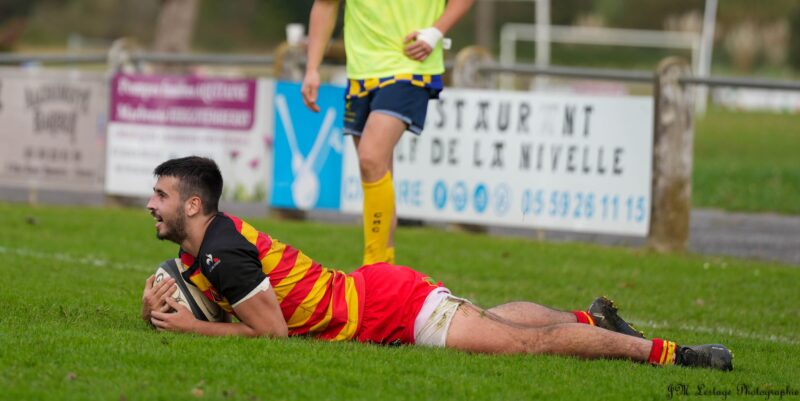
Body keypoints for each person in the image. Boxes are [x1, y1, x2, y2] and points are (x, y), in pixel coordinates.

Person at [141, 156, 733, 371]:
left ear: (194, 204)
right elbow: (216, 304)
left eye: (161, 196)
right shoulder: (203, 249)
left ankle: (673, 354)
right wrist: (153, 308)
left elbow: (272, 333)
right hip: (377, 296)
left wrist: (188, 324)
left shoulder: (221, 251)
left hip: (390, 309)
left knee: (528, 346)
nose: (150, 205)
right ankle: (592, 318)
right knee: (497, 322)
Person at [300, 0, 475, 265]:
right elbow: (324, 6)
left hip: (410, 67)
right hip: (361, 73)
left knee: (370, 157)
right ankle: (385, 272)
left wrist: (435, 32)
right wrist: (312, 69)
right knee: (377, 171)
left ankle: (373, 267)